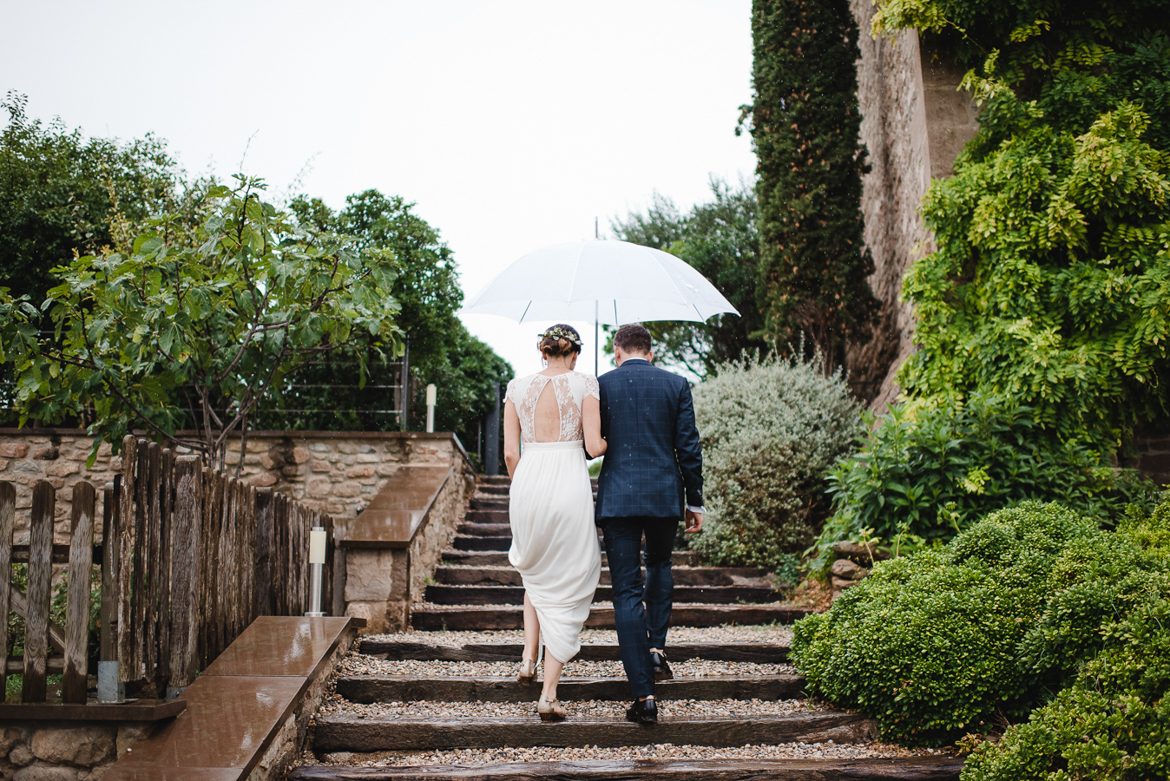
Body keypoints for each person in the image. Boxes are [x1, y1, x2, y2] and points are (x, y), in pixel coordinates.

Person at [595, 323, 704, 725]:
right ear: (651, 352)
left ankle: (643, 696)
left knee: (625, 591)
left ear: (617, 350)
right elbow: (689, 447)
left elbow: (592, 442)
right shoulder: (676, 385)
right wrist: (696, 501)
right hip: (662, 494)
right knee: (659, 565)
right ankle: (656, 647)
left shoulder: (601, 385)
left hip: (619, 497)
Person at [503, 323, 607, 721]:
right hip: (567, 484)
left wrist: (526, 487)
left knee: (536, 574)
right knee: (569, 580)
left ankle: (528, 657)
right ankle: (547, 695)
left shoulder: (516, 387)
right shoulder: (585, 383)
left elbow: (511, 454)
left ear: (542, 352)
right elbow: (594, 446)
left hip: (528, 484)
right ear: (574, 353)